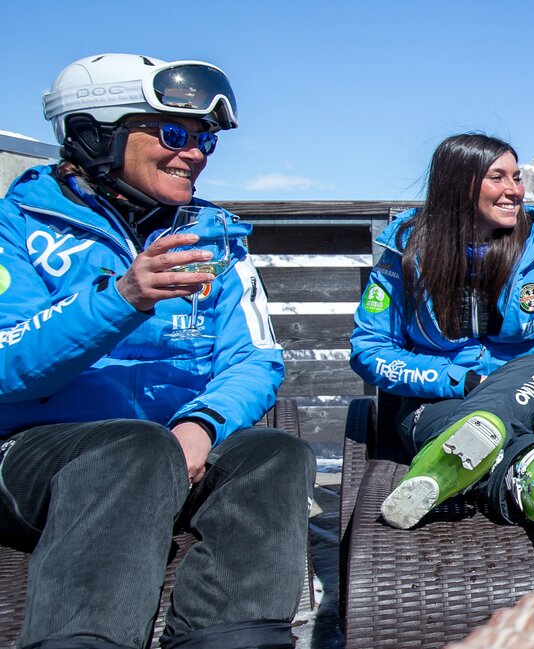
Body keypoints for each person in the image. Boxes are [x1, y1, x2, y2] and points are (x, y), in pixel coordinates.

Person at [0, 53, 312, 649]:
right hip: (33, 455)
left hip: (170, 448)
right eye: (173, 133)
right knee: (134, 448)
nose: (193, 153)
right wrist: (121, 298)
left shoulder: (211, 235)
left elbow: (255, 357)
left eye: (204, 140)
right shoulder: (15, 226)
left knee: (275, 454)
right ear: (95, 135)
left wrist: (200, 425)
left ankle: (232, 639)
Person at [351, 133, 534, 537]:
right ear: (458, 185)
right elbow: (369, 350)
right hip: (437, 399)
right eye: (498, 178)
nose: (514, 190)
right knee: (460, 427)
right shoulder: (405, 253)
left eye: (517, 177)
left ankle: (437, 466)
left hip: (532, 387)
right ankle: (533, 480)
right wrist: (459, 380)